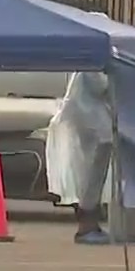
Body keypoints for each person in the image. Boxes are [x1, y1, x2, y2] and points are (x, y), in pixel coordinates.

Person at [46, 69, 115, 245]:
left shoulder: (93, 56)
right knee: (90, 174)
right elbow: (101, 85)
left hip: (93, 120)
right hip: (90, 121)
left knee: (93, 174)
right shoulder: (92, 60)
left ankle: (91, 223)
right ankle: (87, 225)